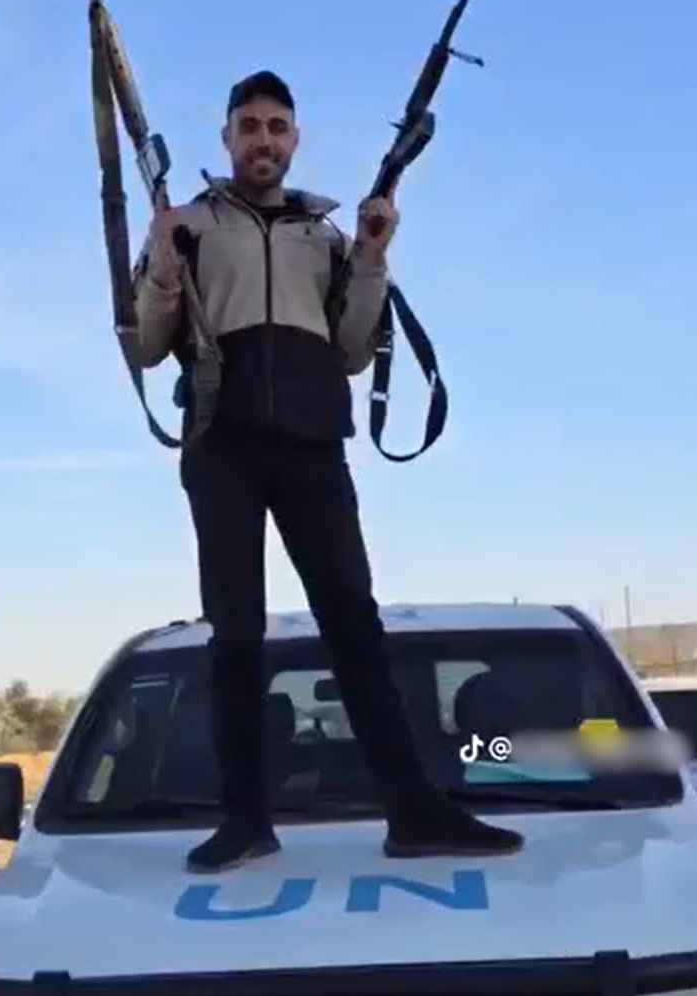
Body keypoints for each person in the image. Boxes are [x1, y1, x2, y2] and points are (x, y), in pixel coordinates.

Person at [133, 70, 524, 872]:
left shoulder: (327, 236)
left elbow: (350, 353)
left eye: (277, 127)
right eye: (250, 126)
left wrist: (373, 254)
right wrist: (164, 268)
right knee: (235, 636)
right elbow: (144, 343)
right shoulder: (190, 223)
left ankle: (415, 814)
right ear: (227, 138)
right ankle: (246, 822)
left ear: (296, 139)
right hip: (221, 449)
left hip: (313, 449)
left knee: (355, 626)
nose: (264, 140)